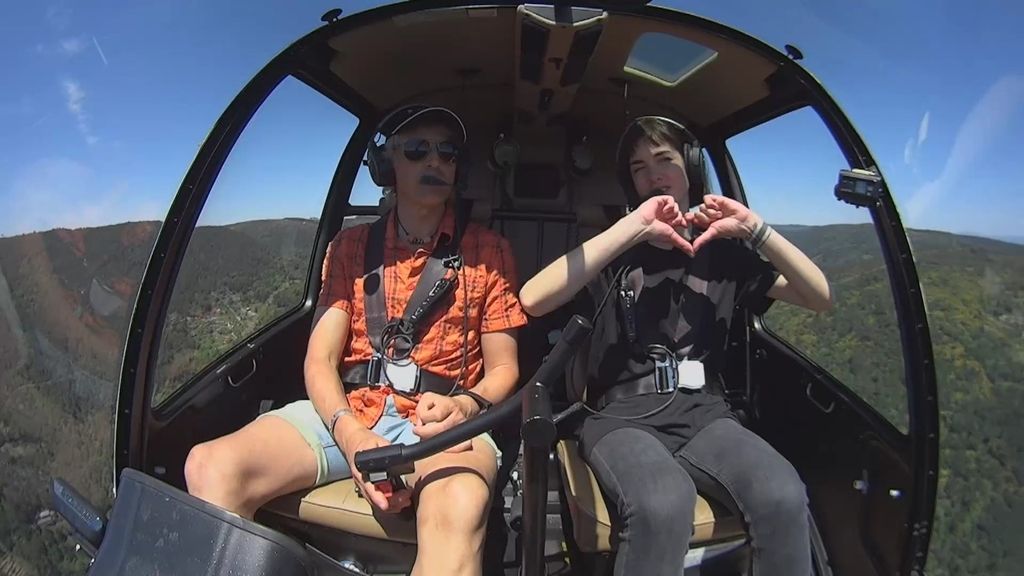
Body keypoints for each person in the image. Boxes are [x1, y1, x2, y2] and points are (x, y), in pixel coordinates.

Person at [184, 104, 528, 576]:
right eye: (417, 150)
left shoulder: (489, 252)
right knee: (209, 467)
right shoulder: (348, 248)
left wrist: (467, 407)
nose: (435, 162)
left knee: (458, 509)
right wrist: (350, 435)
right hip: (354, 409)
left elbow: (505, 368)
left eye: (447, 153)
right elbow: (320, 360)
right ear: (388, 166)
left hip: (444, 423)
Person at [519, 116, 833, 575]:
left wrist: (755, 229)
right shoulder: (614, 250)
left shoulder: (726, 256)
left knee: (783, 493)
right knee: (663, 502)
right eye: (639, 167)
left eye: (664, 160)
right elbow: (533, 297)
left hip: (705, 413)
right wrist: (633, 229)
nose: (653, 174)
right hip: (620, 418)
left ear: (688, 167)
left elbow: (819, 296)